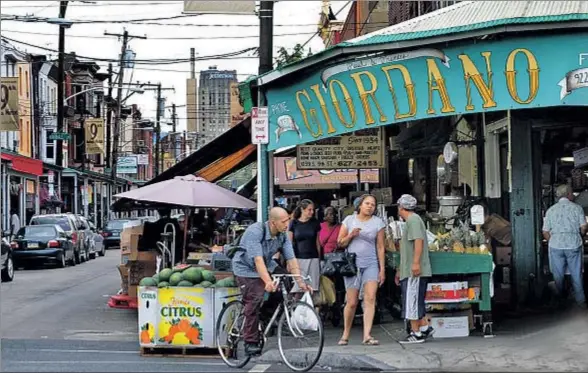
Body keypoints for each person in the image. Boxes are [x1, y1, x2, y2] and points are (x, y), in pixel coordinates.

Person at [232, 207, 312, 356]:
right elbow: (257, 260)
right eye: (284, 221)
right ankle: (250, 341)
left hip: (268, 265)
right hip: (246, 269)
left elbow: (291, 259)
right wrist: (268, 282)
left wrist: (300, 283)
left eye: (288, 220)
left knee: (285, 282)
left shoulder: (282, 235)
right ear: (273, 223)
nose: (287, 224)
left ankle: (265, 314)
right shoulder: (255, 232)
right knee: (254, 298)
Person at [337, 194, 386, 346]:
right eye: (367, 203)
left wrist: (382, 268)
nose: (370, 206)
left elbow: (380, 246)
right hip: (352, 265)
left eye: (373, 204)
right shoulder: (349, 220)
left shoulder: (378, 223)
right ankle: (345, 334)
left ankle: (367, 335)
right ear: (359, 205)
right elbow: (340, 243)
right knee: (351, 302)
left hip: (371, 264)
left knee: (370, 298)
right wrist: (351, 235)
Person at [395, 194, 433, 344]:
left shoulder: (413, 220)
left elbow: (418, 241)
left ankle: (416, 333)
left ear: (401, 207)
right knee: (414, 300)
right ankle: (424, 328)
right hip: (408, 269)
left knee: (412, 302)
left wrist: (416, 263)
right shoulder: (412, 221)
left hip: (414, 271)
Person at [542, 184, 587, 309]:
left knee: (558, 274)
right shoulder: (577, 208)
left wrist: (554, 240)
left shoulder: (551, 210)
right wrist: (579, 235)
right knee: (576, 272)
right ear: (568, 194)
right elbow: (583, 227)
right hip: (573, 243)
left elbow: (545, 231)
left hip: (556, 245)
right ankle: (580, 300)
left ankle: (559, 299)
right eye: (571, 193)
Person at [288, 199, 321, 295]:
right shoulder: (294, 223)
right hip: (298, 258)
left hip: (313, 257)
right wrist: (289, 261)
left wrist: (319, 258)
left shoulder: (315, 223)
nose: (312, 212)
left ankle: (312, 308)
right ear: (302, 210)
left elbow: (317, 242)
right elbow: (289, 243)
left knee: (313, 287)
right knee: (299, 287)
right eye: (309, 210)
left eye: (313, 210)